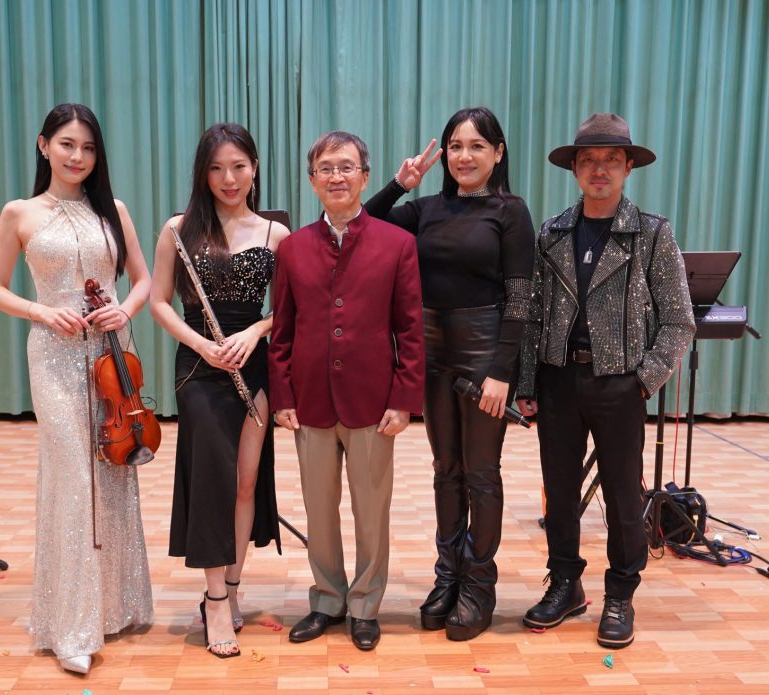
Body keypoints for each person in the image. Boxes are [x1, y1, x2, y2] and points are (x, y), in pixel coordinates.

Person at [515, 113, 695, 649]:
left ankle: (620, 593)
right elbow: (533, 315)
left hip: (619, 384)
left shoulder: (652, 233)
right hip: (557, 380)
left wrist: (644, 380)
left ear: (628, 168)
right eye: (589, 160)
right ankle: (565, 584)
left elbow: (679, 320)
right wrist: (527, 383)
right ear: (574, 168)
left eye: (611, 160)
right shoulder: (552, 232)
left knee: (621, 495)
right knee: (559, 493)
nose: (600, 169)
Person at [0, 103, 154, 674]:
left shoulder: (114, 210)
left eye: (87, 147)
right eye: (66, 144)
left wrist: (124, 309)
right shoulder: (20, 212)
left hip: (110, 352)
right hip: (53, 356)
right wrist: (41, 311)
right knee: (73, 478)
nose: (77, 156)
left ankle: (116, 604)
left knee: (113, 471)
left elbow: (142, 281)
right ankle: (72, 627)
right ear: (43, 145)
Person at [364, 106, 535, 640]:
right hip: (433, 351)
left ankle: (479, 584)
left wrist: (503, 371)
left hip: (486, 352)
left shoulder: (511, 211)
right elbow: (363, 224)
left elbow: (520, 299)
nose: (464, 156)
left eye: (477, 146)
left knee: (481, 472)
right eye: (456, 146)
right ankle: (449, 575)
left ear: (498, 153)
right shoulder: (426, 209)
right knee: (446, 469)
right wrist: (399, 185)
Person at [268, 131, 424, 651]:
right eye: (326, 168)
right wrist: (282, 395)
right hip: (310, 399)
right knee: (318, 508)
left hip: (373, 401)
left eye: (346, 167)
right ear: (312, 180)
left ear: (364, 176)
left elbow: (410, 328)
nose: (337, 176)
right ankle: (327, 598)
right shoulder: (292, 249)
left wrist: (404, 399)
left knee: (371, 509)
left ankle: (365, 605)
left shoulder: (397, 244)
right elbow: (282, 329)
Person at [150, 123, 288, 658]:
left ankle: (232, 588)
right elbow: (159, 302)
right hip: (199, 366)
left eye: (238, 166)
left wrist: (255, 332)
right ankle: (212, 602)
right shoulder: (177, 230)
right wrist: (202, 346)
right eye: (216, 168)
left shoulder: (276, 234)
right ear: (202, 174)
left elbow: (290, 310)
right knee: (213, 481)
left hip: (253, 365)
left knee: (246, 483)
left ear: (254, 168)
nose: (228, 179)